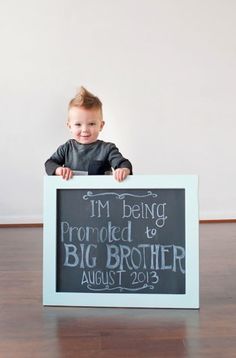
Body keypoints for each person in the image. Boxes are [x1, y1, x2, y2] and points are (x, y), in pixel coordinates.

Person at [45, 86, 132, 182]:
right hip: (71, 195)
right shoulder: (67, 148)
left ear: (101, 125)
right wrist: (58, 170)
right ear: (70, 126)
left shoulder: (107, 149)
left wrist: (123, 170)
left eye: (91, 124)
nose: (85, 130)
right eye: (78, 124)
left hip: (98, 195)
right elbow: (49, 163)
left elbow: (123, 163)